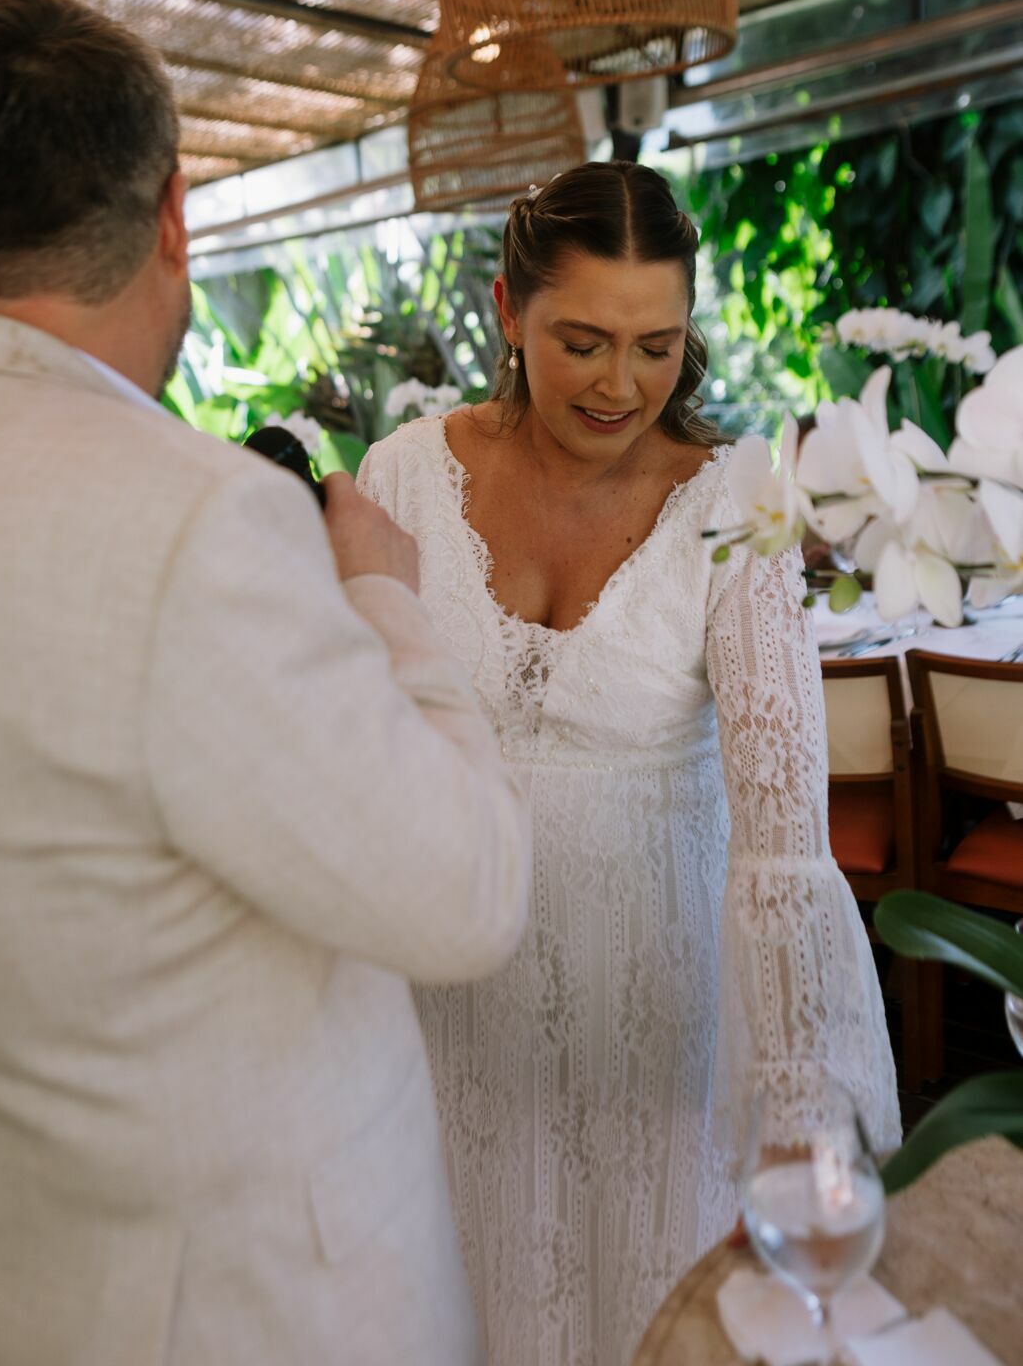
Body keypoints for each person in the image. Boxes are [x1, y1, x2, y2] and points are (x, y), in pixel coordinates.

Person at [0, 0, 532, 1366]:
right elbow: (462, 897)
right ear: (171, 219)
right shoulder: (192, 519)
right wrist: (383, 595)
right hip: (243, 1303)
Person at [358, 162, 901, 1366]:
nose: (621, 385)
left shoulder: (732, 499)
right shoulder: (400, 476)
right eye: (582, 341)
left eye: (656, 345)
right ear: (507, 309)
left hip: (654, 1029)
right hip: (449, 1024)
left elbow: (779, 837)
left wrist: (796, 1111)